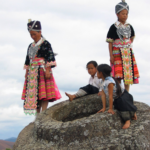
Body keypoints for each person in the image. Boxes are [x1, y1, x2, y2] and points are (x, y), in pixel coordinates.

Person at [21, 19, 61, 115]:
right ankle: (37, 114)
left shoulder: (46, 43)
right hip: (32, 71)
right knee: (35, 93)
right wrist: (27, 72)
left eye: (34, 34)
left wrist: (48, 70)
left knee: (44, 92)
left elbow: (50, 56)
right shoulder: (30, 46)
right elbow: (27, 59)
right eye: (31, 35)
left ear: (40, 32)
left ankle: (43, 112)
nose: (32, 36)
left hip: (42, 69)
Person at [106, 0, 140, 92]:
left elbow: (132, 38)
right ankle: (119, 91)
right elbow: (110, 42)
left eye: (126, 14)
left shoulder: (129, 26)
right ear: (117, 14)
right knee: (118, 74)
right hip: (117, 52)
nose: (125, 16)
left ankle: (127, 93)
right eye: (123, 14)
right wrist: (111, 55)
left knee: (127, 74)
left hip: (127, 53)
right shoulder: (114, 27)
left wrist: (126, 45)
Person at [97, 64, 137, 129]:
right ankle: (133, 112)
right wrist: (104, 108)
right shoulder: (102, 82)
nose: (96, 74)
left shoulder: (109, 82)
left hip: (124, 96)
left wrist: (110, 108)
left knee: (123, 108)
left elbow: (110, 96)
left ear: (101, 72)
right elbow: (103, 95)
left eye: (97, 72)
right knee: (117, 107)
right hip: (117, 98)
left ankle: (127, 120)